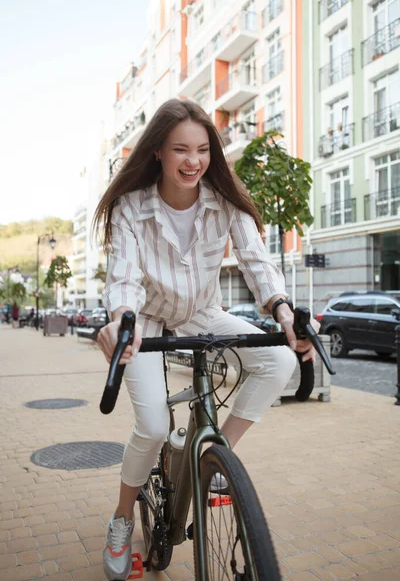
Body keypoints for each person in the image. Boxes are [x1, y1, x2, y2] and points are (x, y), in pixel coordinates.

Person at [94, 98, 320, 581]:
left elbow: (258, 262)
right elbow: (124, 279)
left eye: (202, 150)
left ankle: (211, 463)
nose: (193, 161)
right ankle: (120, 517)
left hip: (202, 313)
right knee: (153, 427)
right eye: (180, 149)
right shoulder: (131, 207)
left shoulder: (224, 200)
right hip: (147, 319)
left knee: (278, 363)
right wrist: (122, 321)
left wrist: (282, 309)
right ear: (158, 151)